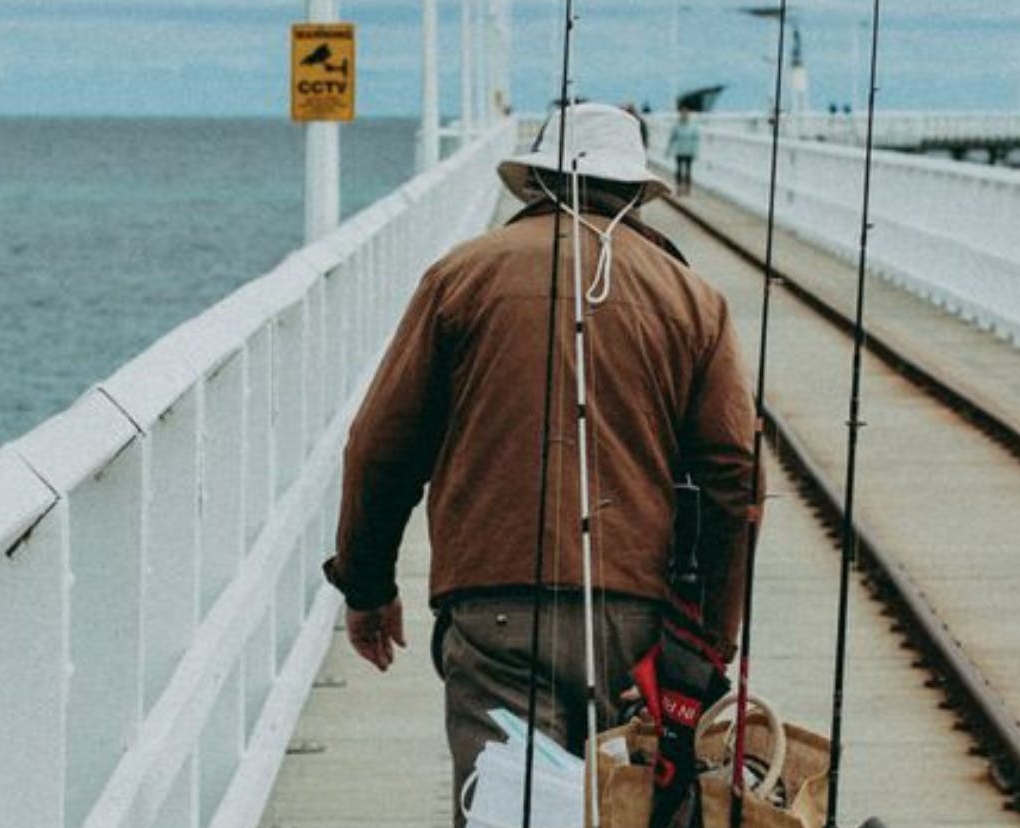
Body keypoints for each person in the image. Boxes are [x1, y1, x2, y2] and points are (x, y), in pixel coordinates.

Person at [320, 101, 766, 789]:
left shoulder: (459, 276)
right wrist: (708, 641)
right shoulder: (693, 298)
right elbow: (733, 476)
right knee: (631, 812)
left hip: (493, 606)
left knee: (506, 808)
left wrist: (368, 586)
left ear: (536, 184)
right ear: (636, 192)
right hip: (638, 617)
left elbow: (379, 445)